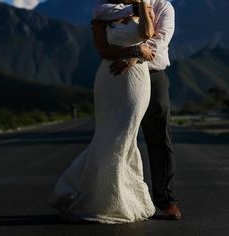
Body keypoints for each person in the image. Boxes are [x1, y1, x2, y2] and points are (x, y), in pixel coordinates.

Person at [50, 0, 156, 224]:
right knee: (107, 135)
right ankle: (97, 197)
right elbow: (104, 51)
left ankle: (116, 196)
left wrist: (142, 4)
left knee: (125, 135)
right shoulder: (100, 17)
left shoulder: (144, 11)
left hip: (136, 80)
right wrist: (134, 49)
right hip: (109, 78)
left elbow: (148, 33)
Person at [93, 0, 181, 220]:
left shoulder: (163, 6)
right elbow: (101, 32)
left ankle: (166, 200)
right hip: (117, 76)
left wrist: (134, 56)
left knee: (159, 137)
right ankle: (112, 194)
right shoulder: (108, 5)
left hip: (152, 74)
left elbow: (159, 40)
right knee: (116, 135)